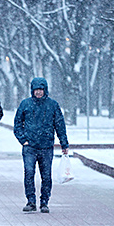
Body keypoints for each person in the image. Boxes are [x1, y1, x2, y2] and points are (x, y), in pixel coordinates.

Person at [13, 77, 69, 213]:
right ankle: (31, 201)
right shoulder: (25, 104)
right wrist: (23, 140)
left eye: (41, 90)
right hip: (30, 146)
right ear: (32, 90)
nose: (39, 93)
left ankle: (44, 202)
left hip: (46, 146)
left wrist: (64, 144)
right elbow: (17, 124)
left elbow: (60, 125)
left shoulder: (52, 105)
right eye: (36, 90)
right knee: (29, 173)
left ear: (45, 90)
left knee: (46, 175)